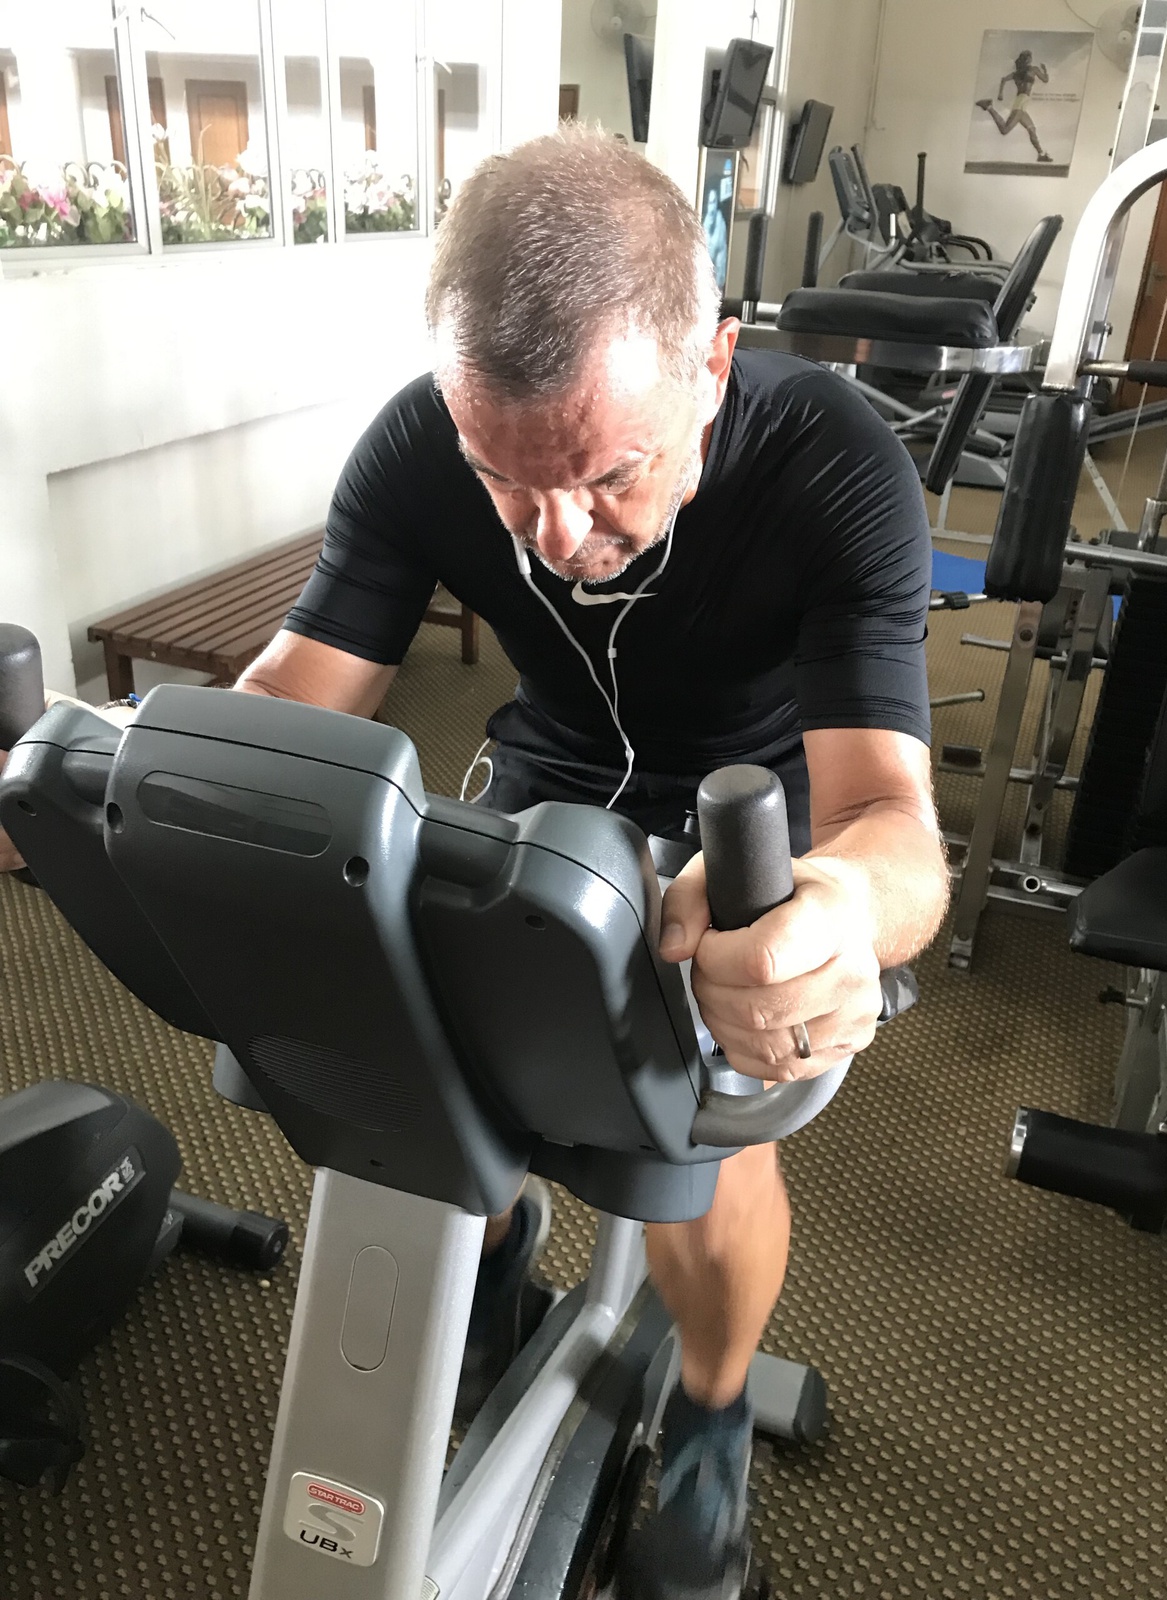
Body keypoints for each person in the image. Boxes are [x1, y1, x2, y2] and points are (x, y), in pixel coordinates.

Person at [0, 126, 949, 1600]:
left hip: (745, 823)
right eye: (506, 478)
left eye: (610, 474)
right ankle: (495, 1265)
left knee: (700, 1140)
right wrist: (133, 776)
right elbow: (297, 694)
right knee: (413, 1060)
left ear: (712, 365)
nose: (559, 533)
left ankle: (708, 1415)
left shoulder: (835, 463)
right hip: (541, 794)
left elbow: (891, 815)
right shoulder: (413, 445)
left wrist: (838, 907)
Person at [976, 49, 1053, 164]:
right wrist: (1045, 70)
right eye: (1030, 57)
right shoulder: (1034, 69)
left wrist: (1000, 94)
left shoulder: (1016, 74)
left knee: (1032, 129)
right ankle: (989, 107)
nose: (1031, 59)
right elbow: (1045, 80)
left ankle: (1041, 155)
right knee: (1004, 130)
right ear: (1028, 59)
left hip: (1021, 102)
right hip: (1021, 103)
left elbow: (1003, 80)